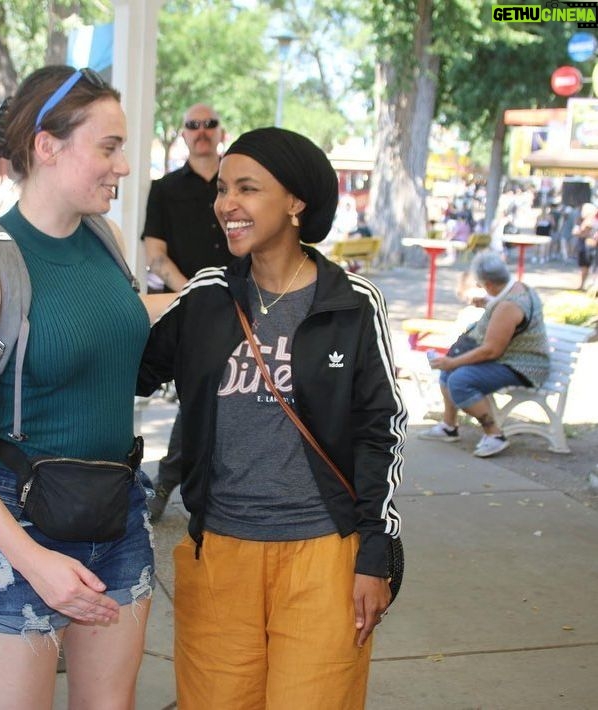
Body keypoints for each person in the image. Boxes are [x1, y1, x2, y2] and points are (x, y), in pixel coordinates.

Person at [138, 127, 406, 709]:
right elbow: (125, 374)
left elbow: (379, 430)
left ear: (295, 203)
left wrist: (374, 553)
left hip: (323, 557)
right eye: (222, 189)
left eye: (247, 188)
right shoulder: (208, 297)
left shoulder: (352, 303)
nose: (226, 204)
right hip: (221, 556)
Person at [0, 65, 155, 709]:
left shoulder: (104, 242)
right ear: (47, 146)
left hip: (116, 509)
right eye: (108, 147)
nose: (124, 166)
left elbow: (111, 341)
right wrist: (31, 558)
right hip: (12, 523)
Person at [141, 102, 234, 522]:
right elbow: (155, 256)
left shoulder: (237, 185)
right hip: (191, 308)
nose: (201, 131)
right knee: (199, 392)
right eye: (192, 125)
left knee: (230, 395)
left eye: (208, 124)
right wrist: (197, 291)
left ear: (221, 132)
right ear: (182, 134)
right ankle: (168, 480)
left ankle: (182, 482)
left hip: (243, 306)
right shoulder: (163, 189)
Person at [420, 250, 550, 458]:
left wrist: (452, 362)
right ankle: (449, 426)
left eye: (480, 285)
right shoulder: (517, 289)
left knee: (460, 380)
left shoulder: (509, 305)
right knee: (449, 373)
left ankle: (494, 435)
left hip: (523, 366)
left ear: (488, 283)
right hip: (511, 358)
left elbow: (491, 350)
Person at [574, 202, 597, 291]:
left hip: (587, 245)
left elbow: (583, 232)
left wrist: (579, 232)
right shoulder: (585, 220)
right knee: (585, 266)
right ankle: (583, 285)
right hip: (586, 244)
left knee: (586, 266)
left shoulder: (589, 221)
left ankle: (585, 285)